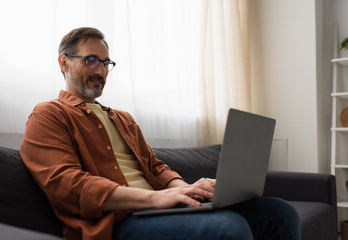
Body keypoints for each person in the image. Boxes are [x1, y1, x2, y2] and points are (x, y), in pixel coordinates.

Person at [20, 27, 301, 240]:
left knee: (278, 212)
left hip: (159, 209)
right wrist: (157, 198)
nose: (101, 70)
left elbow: (155, 166)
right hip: (114, 223)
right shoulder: (48, 114)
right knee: (228, 227)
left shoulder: (122, 118)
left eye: (106, 63)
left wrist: (183, 189)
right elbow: (67, 185)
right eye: (91, 60)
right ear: (64, 62)